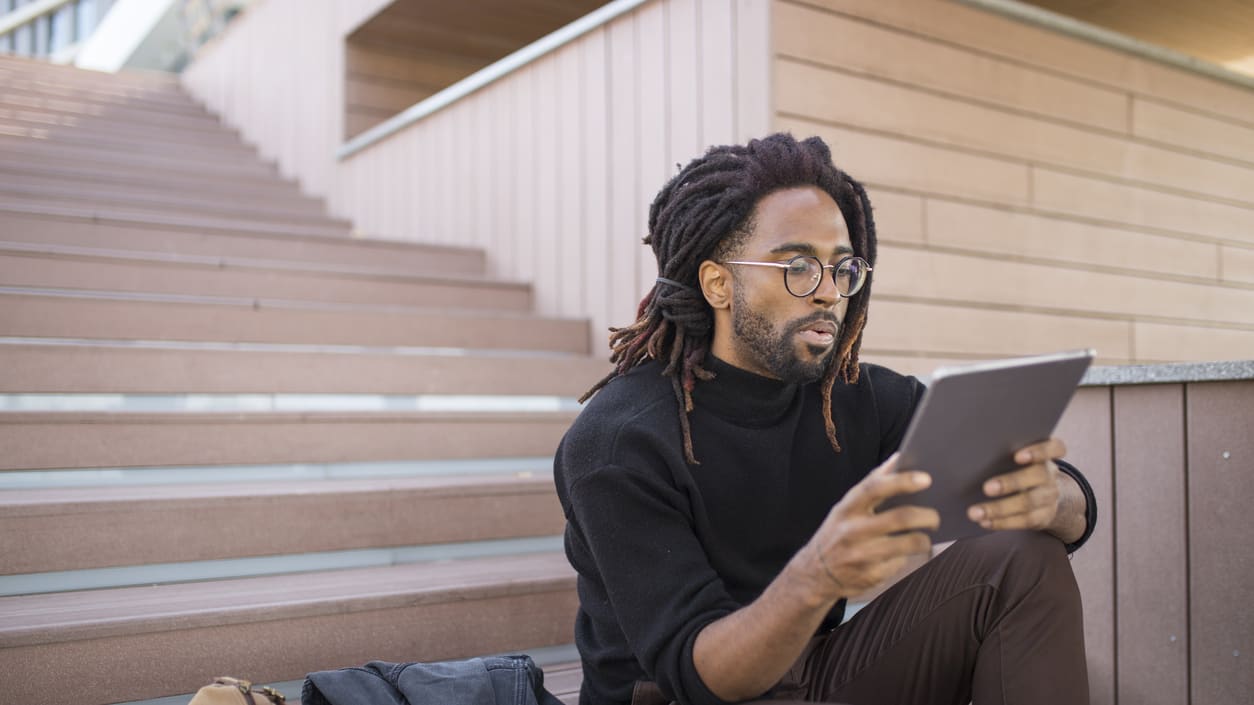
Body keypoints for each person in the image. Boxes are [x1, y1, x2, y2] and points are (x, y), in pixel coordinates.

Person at [553, 133, 1097, 705]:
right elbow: (699, 676)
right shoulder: (618, 441)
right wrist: (819, 575)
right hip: (685, 693)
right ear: (718, 283)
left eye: (841, 270)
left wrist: (1049, 500)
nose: (827, 293)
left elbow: (1074, 504)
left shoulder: (854, 400)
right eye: (798, 267)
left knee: (1023, 557)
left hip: (811, 672)